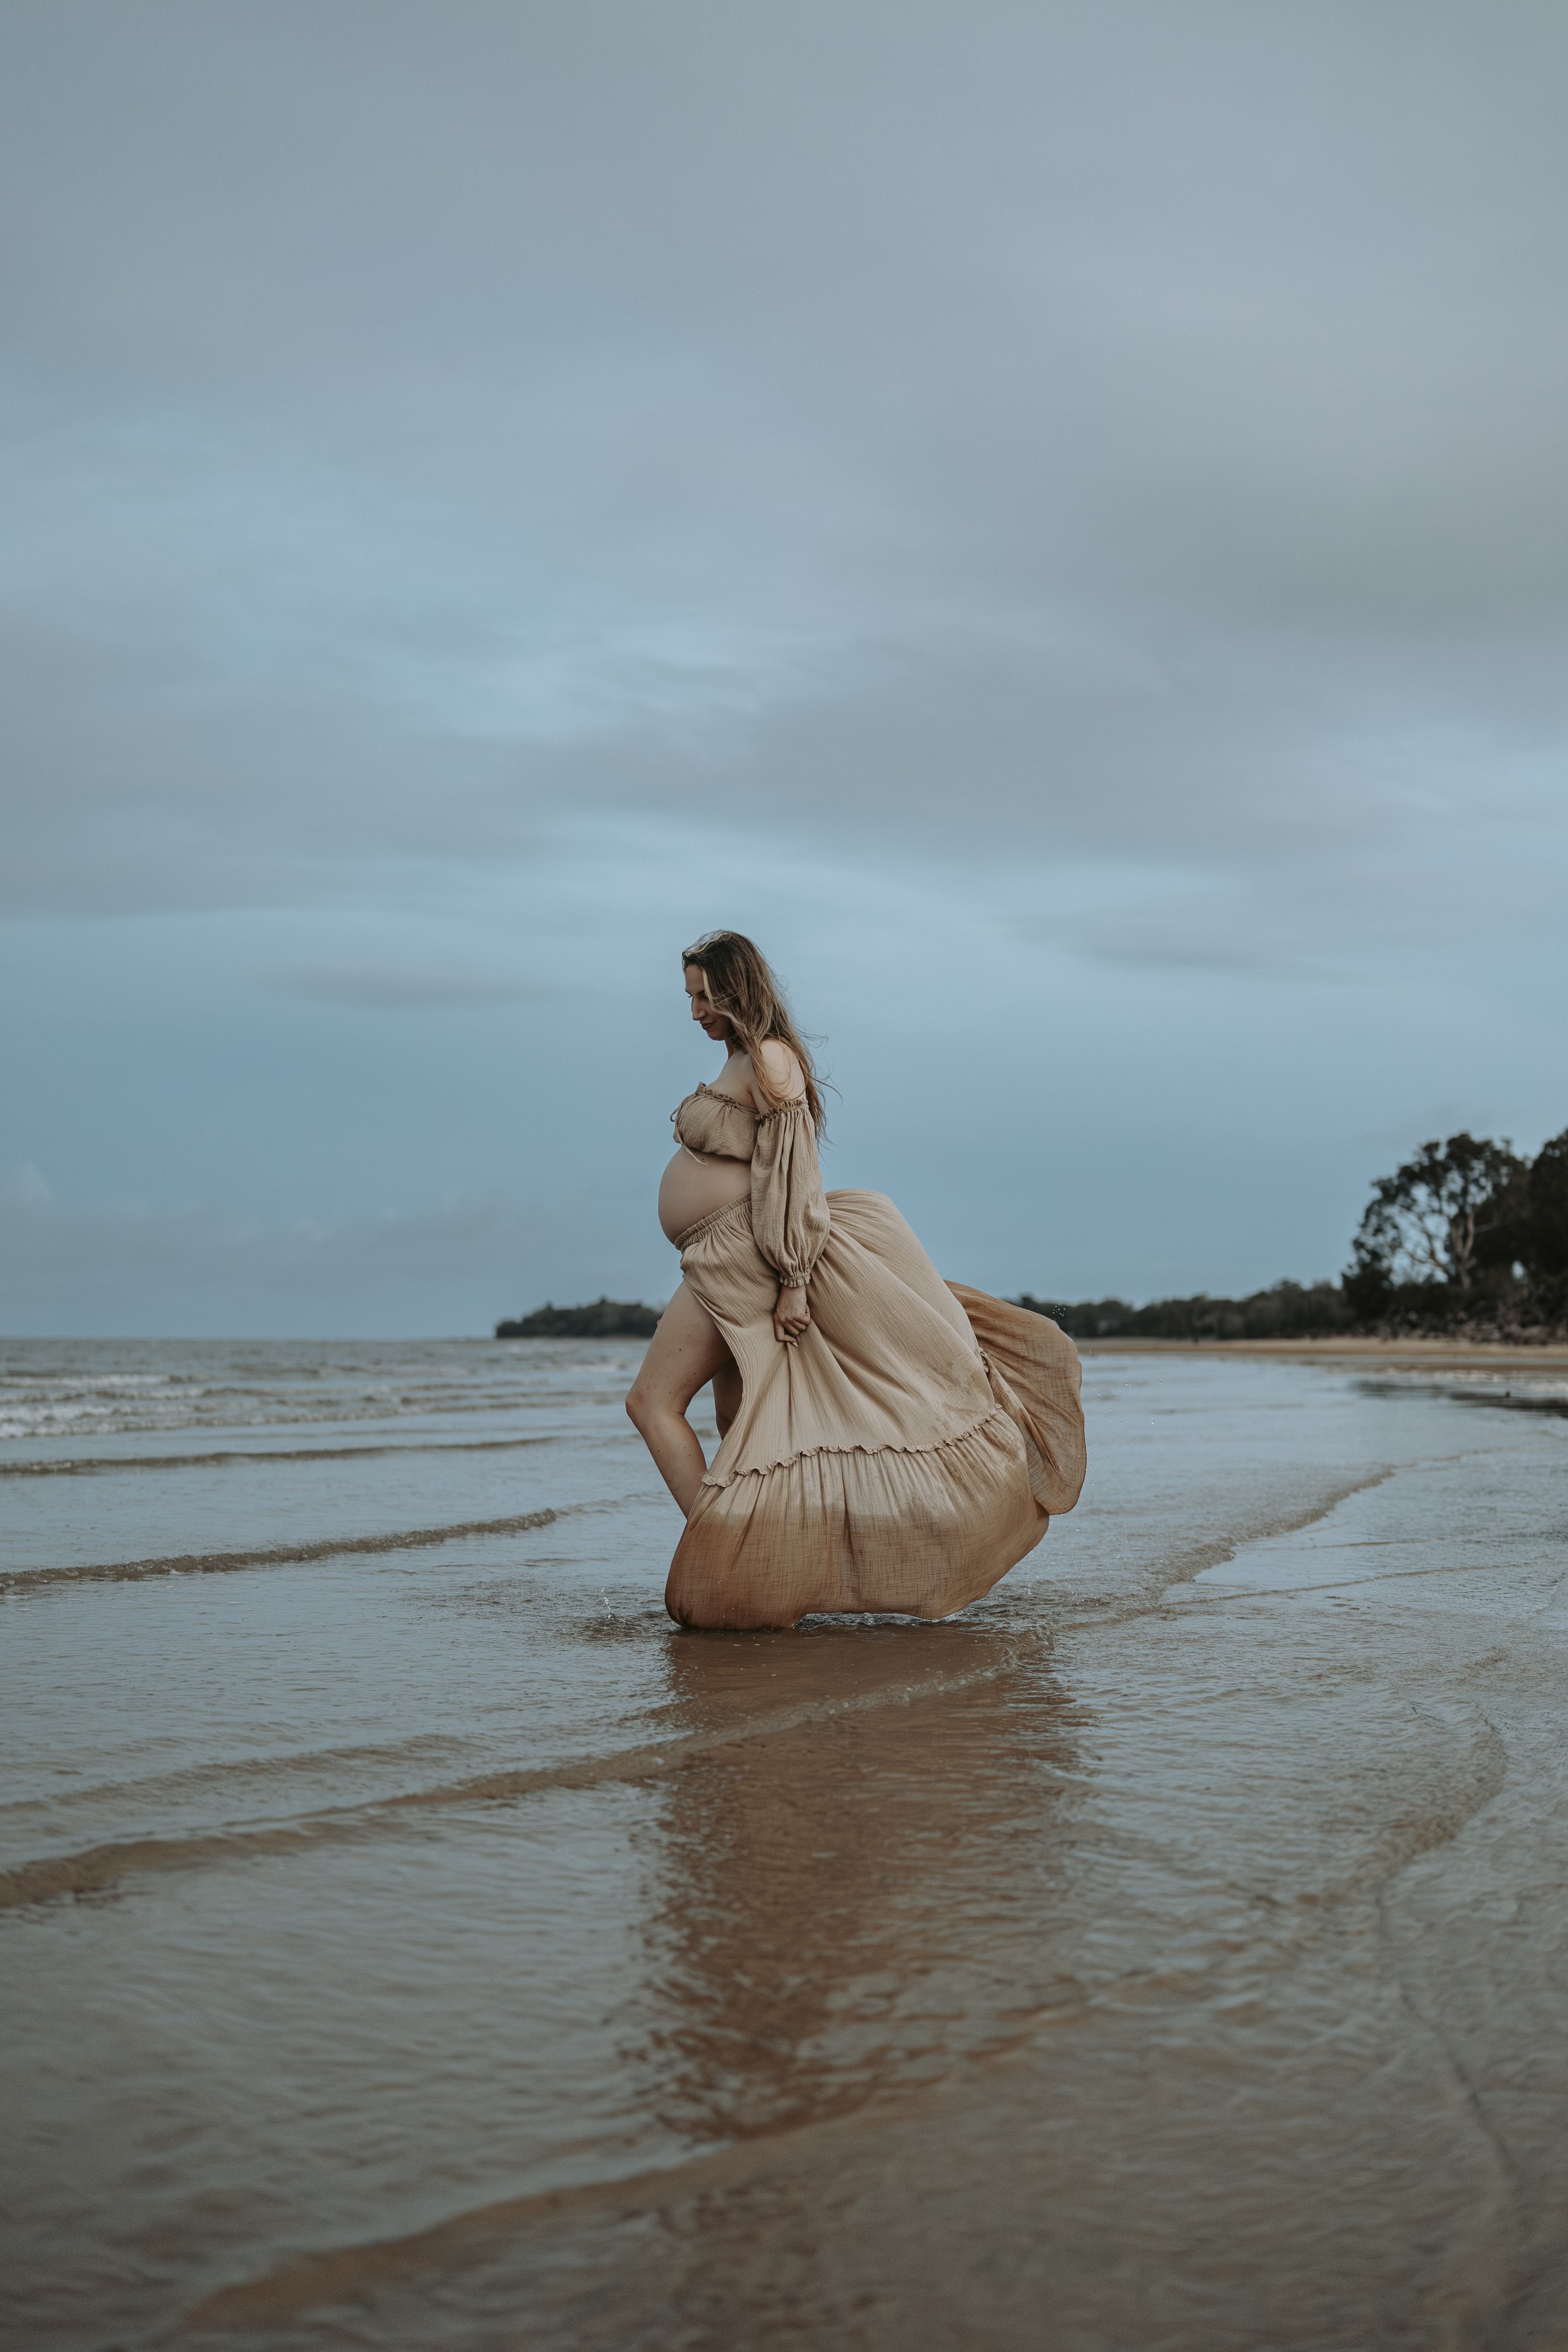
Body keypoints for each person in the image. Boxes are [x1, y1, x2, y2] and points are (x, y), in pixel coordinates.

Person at [627, 932, 1086, 1629]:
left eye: (702, 995)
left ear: (735, 988)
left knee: (652, 1404)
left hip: (746, 1256)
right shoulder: (742, 1060)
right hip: (717, 1256)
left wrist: (793, 1280)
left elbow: (796, 1174)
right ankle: (767, 1566)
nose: (693, 1011)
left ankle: (734, 1561)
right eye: (688, 997)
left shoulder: (773, 1059)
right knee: (739, 1422)